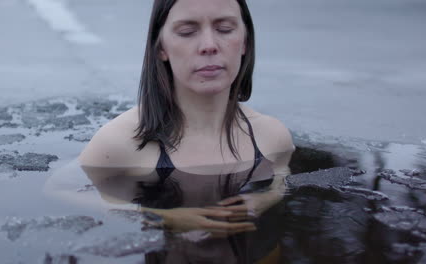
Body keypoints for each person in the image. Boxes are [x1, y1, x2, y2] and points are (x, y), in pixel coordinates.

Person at [76, 0, 295, 263]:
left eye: (225, 28)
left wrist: (267, 197)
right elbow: (60, 192)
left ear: (245, 42)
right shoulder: (123, 141)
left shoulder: (271, 137)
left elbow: (282, 179)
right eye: (187, 32)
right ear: (161, 49)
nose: (209, 45)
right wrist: (164, 218)